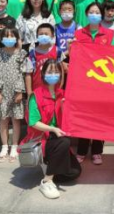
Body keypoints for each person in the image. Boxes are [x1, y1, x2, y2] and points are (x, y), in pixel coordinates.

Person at [22, 59, 82, 199]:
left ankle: (50, 166)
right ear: (43, 74)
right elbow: (33, 122)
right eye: (50, 72)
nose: (53, 74)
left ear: (60, 74)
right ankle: (47, 181)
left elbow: (69, 117)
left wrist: (64, 107)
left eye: (56, 71)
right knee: (64, 142)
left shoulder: (62, 93)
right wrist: (52, 129)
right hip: (42, 139)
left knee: (74, 172)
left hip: (56, 138)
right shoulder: (36, 95)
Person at [72, 2, 114, 164]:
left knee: (99, 117)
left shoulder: (109, 34)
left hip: (102, 82)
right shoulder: (78, 34)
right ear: (86, 14)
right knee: (84, 116)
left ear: (102, 15)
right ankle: (82, 150)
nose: (94, 15)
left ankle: (97, 151)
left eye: (97, 12)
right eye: (91, 12)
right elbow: (73, 56)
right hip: (83, 82)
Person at [0, 27, 30, 163]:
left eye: (12, 36)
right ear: (1, 38)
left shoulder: (21, 53)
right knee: (3, 120)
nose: (9, 39)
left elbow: (22, 73)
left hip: (16, 91)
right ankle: (4, 147)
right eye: (6, 36)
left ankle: (14, 146)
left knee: (16, 120)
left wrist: (19, 91)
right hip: (2, 91)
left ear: (17, 38)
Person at [25, 23, 58, 96]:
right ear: (37, 36)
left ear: (52, 36)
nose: (43, 36)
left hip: (55, 91)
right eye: (41, 34)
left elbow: (62, 70)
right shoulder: (32, 53)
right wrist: (29, 92)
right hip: (37, 92)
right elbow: (28, 74)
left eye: (46, 34)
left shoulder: (57, 51)